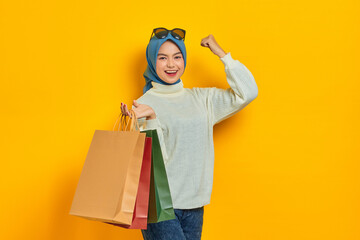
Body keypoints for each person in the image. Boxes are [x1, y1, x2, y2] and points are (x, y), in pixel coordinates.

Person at [121, 27, 258, 240]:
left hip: (195, 205)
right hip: (159, 205)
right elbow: (154, 164)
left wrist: (222, 54)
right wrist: (151, 120)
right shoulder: (144, 104)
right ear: (151, 61)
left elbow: (248, 92)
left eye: (177, 57)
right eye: (162, 57)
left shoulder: (202, 99)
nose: (171, 64)